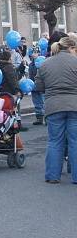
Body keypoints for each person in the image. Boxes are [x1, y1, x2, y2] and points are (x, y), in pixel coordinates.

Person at [34, 35, 77, 184]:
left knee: (54, 141)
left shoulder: (45, 64)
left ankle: (53, 176)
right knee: (75, 141)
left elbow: (38, 87)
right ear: (71, 48)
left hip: (53, 106)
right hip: (74, 106)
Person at [0, 48, 21, 113]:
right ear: (9, 58)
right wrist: (17, 91)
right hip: (9, 92)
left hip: (0, 92)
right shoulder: (8, 67)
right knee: (12, 110)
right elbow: (13, 80)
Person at [28, 47, 45, 124]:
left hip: (42, 85)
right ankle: (39, 118)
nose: (34, 54)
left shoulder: (43, 62)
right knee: (36, 102)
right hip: (33, 85)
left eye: (36, 52)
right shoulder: (31, 64)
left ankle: (46, 118)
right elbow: (30, 75)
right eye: (33, 53)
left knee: (44, 102)